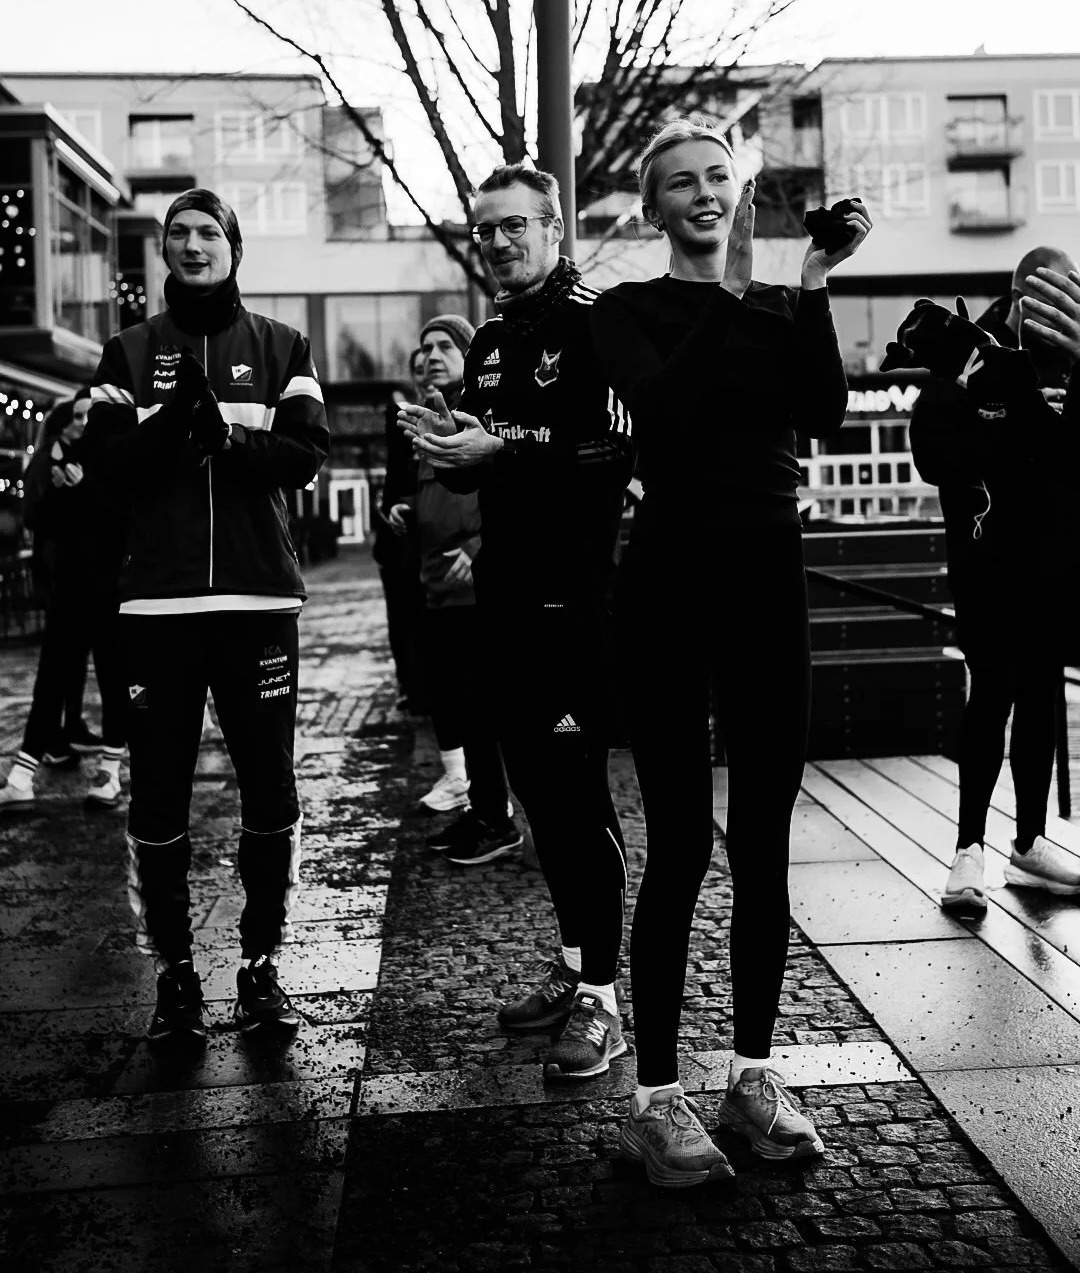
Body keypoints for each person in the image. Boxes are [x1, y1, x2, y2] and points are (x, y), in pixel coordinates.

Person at [591, 118, 871, 1186]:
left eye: (719, 178)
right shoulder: (627, 312)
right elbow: (661, 404)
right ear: (654, 206)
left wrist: (810, 281)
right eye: (682, 184)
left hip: (767, 579)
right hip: (666, 586)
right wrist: (737, 298)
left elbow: (827, 413)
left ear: (737, 194)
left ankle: (752, 1078)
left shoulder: (783, 305)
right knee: (680, 844)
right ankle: (655, 1097)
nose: (705, 194)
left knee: (764, 840)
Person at [399, 162, 634, 1079]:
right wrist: (452, 449)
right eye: (485, 230)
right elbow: (484, 465)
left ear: (554, 229)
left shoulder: (597, 323)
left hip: (576, 604)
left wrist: (506, 446)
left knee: (581, 802)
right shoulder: (492, 342)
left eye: (514, 227)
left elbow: (612, 447)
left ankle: (606, 1001)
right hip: (505, 601)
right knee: (538, 799)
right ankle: (576, 967)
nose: (497, 243)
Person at [82, 188, 329, 1043]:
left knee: (270, 788)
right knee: (159, 794)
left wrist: (226, 435)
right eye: (178, 235)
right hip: (156, 606)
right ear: (164, 251)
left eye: (208, 234)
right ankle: (175, 973)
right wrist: (173, 426)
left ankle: (261, 967)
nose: (193, 247)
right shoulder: (126, 352)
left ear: (233, 248)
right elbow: (105, 468)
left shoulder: (283, 346)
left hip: (259, 603)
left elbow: (303, 457)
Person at [908, 246, 1080, 914]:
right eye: (1036, 293)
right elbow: (934, 456)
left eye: (1062, 293)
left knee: (1041, 693)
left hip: (1059, 565)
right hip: (988, 563)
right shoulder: (969, 355)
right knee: (996, 690)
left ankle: (1031, 841)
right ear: (1013, 295)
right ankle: (967, 849)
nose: (1047, 307)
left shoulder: (1073, 358)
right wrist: (1007, 404)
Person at [390, 314, 516, 842]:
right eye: (426, 347)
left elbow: (513, 490)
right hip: (437, 584)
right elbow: (439, 494)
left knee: (487, 708)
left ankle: (498, 817)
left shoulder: (489, 414)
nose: (431, 355)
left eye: (445, 345)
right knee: (460, 704)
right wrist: (408, 512)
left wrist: (478, 548)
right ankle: (484, 808)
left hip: (478, 585)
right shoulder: (427, 418)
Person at [0, 392, 127, 812]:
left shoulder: (116, 461)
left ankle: (111, 771)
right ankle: (21, 776)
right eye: (74, 416)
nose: (79, 423)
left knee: (114, 681)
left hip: (110, 591)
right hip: (70, 590)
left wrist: (83, 486)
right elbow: (38, 520)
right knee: (50, 681)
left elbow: (125, 521)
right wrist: (60, 488)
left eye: (86, 416)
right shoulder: (61, 461)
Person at [372, 348, 430, 716]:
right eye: (418, 369)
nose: (426, 372)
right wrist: (392, 508)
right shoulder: (402, 419)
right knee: (405, 624)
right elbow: (396, 481)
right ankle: (413, 686)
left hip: (447, 543)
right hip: (403, 548)